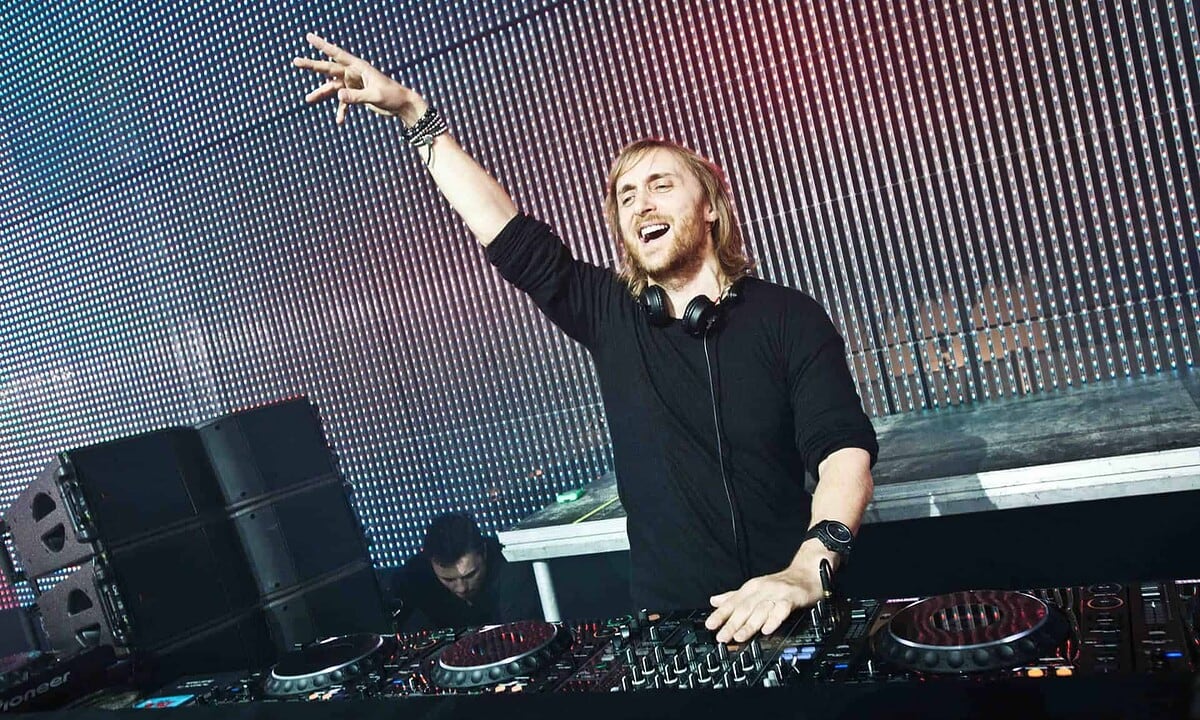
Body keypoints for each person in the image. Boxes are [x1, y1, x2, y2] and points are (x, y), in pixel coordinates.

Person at [293, 33, 878, 644]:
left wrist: (805, 571)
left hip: (786, 611)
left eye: (660, 185)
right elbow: (506, 232)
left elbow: (842, 450)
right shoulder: (611, 312)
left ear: (710, 205)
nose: (640, 204)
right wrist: (415, 115)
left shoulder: (789, 318)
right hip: (671, 628)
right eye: (626, 196)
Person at [381, 512, 540, 632]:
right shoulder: (414, 576)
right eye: (448, 580)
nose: (462, 588)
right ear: (430, 563)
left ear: (484, 552)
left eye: (470, 575)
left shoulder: (512, 567)